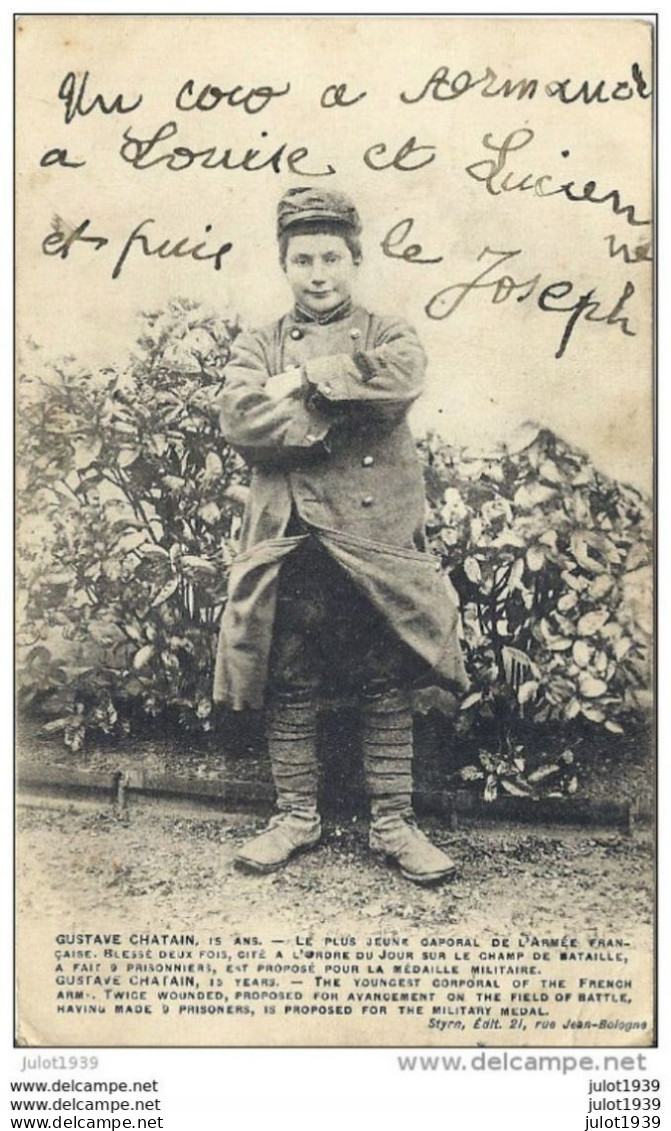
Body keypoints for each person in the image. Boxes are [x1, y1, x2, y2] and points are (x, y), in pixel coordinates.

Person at [213, 186, 469, 884]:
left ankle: (393, 821)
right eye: (302, 259)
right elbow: (240, 417)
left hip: (374, 537)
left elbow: (399, 380)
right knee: (289, 676)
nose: (317, 272)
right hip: (294, 537)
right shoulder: (256, 341)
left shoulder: (388, 333)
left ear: (353, 260)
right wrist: (334, 416)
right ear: (284, 265)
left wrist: (302, 382)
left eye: (330, 257)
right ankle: (295, 815)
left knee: (386, 678)